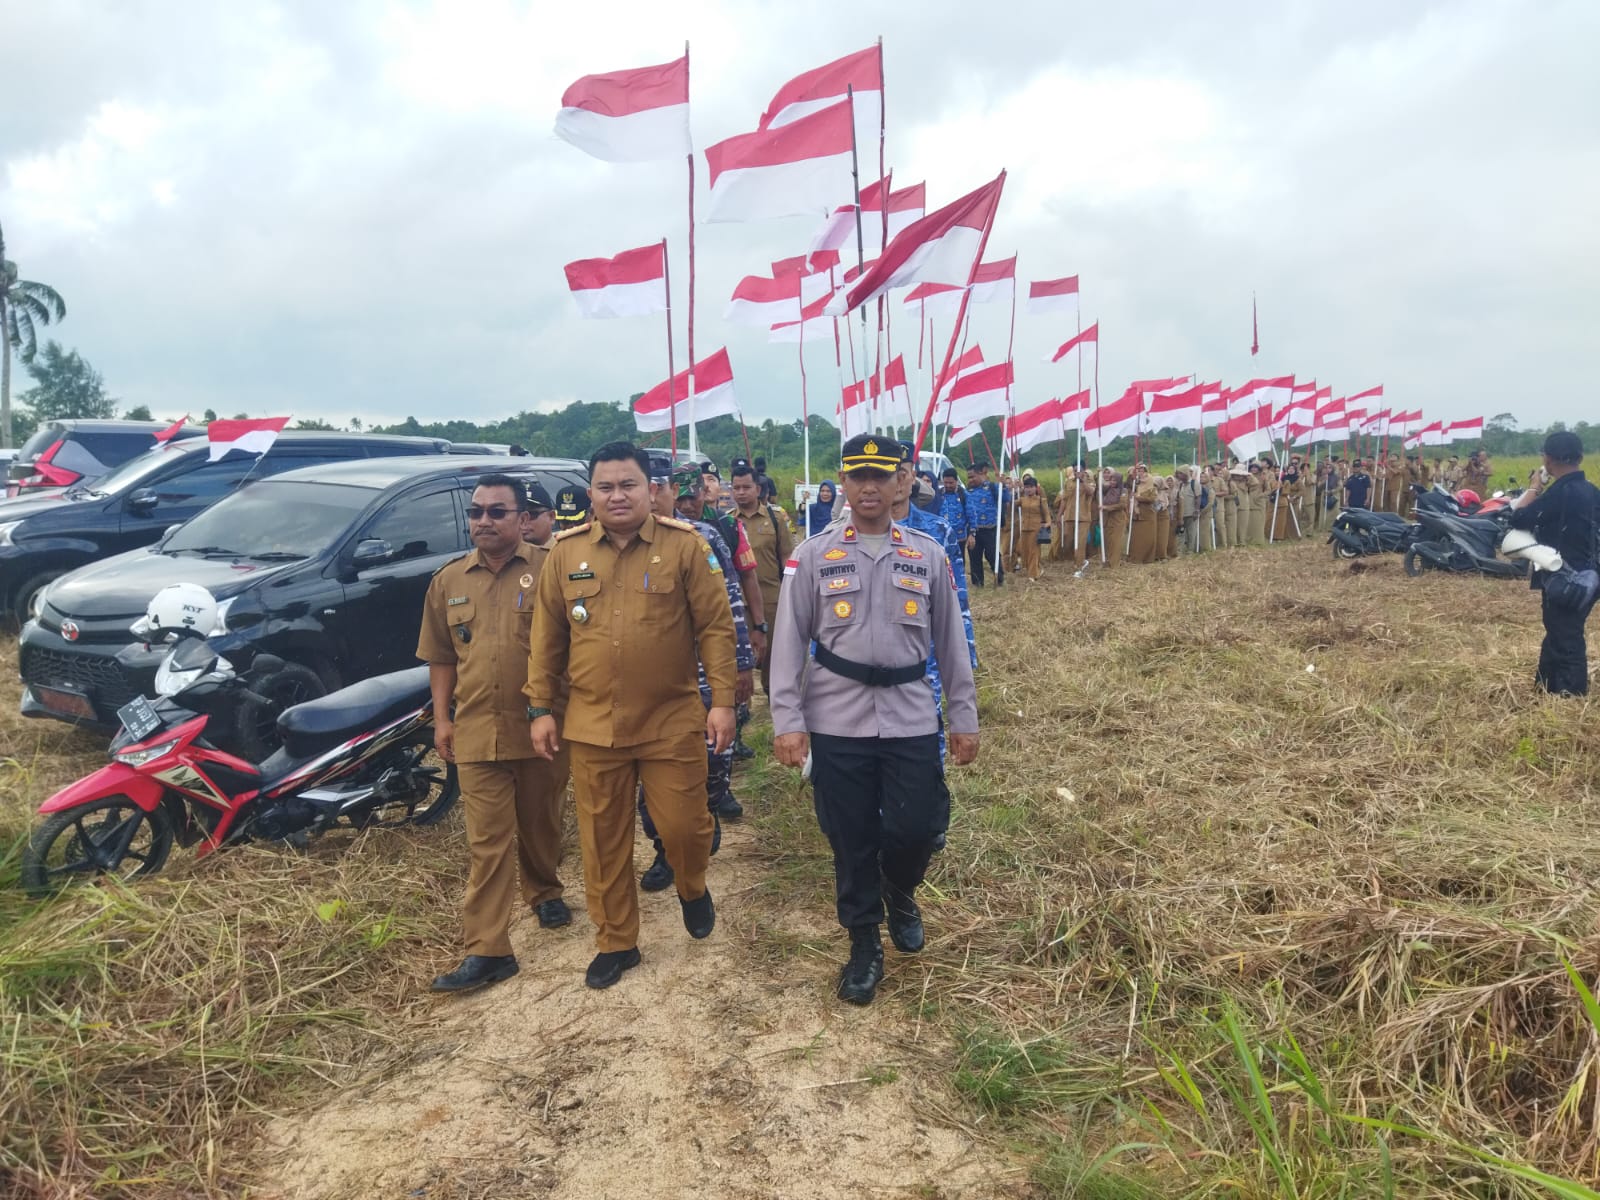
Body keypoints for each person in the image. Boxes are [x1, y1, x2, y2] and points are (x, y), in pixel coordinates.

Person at [769, 434, 979, 1005]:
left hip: (911, 713)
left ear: (900, 481)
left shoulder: (926, 554)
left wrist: (963, 717)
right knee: (851, 835)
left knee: (918, 829)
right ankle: (864, 941)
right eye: (858, 476)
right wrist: (787, 721)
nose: (869, 487)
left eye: (880, 476)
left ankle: (900, 890)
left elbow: (951, 643)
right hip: (836, 715)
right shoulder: (813, 555)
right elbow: (788, 644)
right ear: (844, 481)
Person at [525, 442, 737, 989]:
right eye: (605, 487)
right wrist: (541, 707)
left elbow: (716, 628)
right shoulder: (565, 554)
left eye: (628, 485)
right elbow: (546, 639)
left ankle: (692, 884)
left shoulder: (686, 547)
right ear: (591, 493)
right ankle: (617, 941)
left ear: (650, 489)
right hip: (593, 725)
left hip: (671, 719)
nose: (616, 496)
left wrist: (723, 701)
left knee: (685, 827)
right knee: (602, 841)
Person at [418, 473, 571, 994]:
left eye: (496, 512)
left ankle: (545, 890)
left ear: (523, 519)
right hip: (477, 728)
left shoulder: (552, 569)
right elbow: (441, 656)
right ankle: (488, 949)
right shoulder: (448, 581)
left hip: (542, 726)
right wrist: (442, 719)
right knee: (487, 842)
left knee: (541, 818)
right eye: (476, 512)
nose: (484, 521)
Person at [638, 465, 755, 891]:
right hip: (650, 681)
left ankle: (705, 814)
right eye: (644, 487)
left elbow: (730, 603)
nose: (653, 497)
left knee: (712, 760)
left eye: (659, 488)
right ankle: (664, 849)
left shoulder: (701, 537)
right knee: (653, 773)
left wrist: (742, 664)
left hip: (704, 672)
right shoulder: (616, 544)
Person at [1507, 431, 1599, 697]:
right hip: (1590, 577)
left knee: (1566, 636)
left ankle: (1571, 694)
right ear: (1580, 457)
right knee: (1559, 631)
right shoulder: (1592, 492)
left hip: (1564, 578)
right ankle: (1546, 688)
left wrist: (1535, 487)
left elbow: (1518, 519)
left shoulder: (1560, 492)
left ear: (1547, 459)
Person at [731, 458, 796, 697]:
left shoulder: (776, 518)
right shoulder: (727, 521)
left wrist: (792, 593)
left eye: (746, 487)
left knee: (774, 658)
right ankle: (741, 706)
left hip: (772, 600)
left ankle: (775, 701)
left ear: (757, 489)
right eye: (736, 487)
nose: (741, 492)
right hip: (739, 603)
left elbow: (787, 557)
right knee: (739, 659)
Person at [965, 462, 1006, 587]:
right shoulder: (966, 491)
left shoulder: (992, 487)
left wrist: (1003, 486)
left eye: (973, 476)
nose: (971, 480)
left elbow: (1005, 498)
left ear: (980, 474)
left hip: (989, 529)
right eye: (969, 477)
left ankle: (999, 579)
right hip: (973, 530)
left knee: (992, 555)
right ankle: (977, 583)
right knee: (974, 557)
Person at [1013, 472, 1051, 581]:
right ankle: (1036, 569)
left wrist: (1048, 523)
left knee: (1034, 551)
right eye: (1026, 487)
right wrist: (1013, 490)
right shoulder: (1022, 500)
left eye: (1031, 487)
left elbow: (1047, 514)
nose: (1028, 489)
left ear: (1035, 488)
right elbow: (1011, 504)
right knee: (1025, 551)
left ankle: (1033, 575)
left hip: (1036, 529)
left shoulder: (1041, 500)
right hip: (1024, 528)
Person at [1096, 466, 1128, 567]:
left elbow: (1122, 505)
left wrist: (1107, 507)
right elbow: (1099, 486)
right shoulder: (1108, 489)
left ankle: (1115, 563)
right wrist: (1098, 474)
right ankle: (1109, 561)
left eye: (1114, 480)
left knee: (1116, 541)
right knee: (1108, 540)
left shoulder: (1123, 491)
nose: (1112, 482)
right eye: (1111, 480)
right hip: (1108, 519)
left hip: (1118, 519)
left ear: (1119, 481)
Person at [519, 482, 556, 547]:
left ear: (551, 517)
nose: (523, 522)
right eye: (518, 515)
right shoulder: (504, 551)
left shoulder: (566, 551)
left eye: (532, 514)